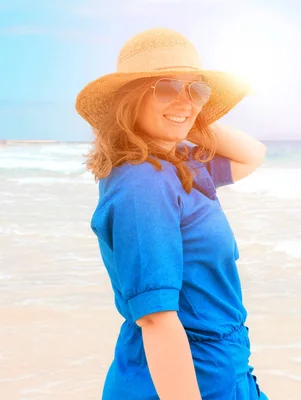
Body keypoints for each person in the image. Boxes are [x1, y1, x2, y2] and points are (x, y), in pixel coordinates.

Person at [75, 27, 269, 400]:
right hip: (186, 380)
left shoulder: (176, 165)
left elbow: (252, 155)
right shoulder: (142, 182)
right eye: (165, 87)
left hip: (222, 369)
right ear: (129, 99)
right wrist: (182, 109)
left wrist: (185, 113)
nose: (185, 100)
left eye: (196, 89)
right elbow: (156, 318)